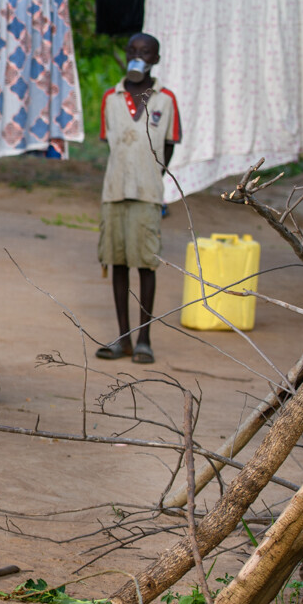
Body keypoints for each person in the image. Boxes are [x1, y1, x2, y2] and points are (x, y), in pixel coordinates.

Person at [96, 33, 180, 364]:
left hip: (148, 194)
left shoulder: (166, 100)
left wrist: (150, 174)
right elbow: (111, 143)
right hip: (114, 191)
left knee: (146, 263)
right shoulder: (111, 98)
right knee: (117, 261)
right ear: (127, 54)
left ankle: (144, 340)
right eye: (132, 50)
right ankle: (123, 339)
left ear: (155, 60)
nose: (138, 55)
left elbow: (169, 145)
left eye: (145, 52)